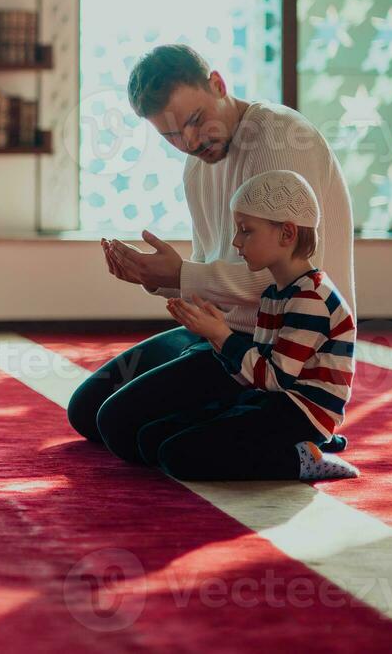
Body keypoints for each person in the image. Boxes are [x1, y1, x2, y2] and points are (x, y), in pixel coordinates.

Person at [66, 44, 356, 465]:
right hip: (222, 333)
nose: (189, 141)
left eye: (195, 120)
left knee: (122, 428)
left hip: (282, 348)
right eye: (170, 136)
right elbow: (213, 275)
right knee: (87, 413)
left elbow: (290, 277)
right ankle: (227, 420)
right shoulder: (197, 166)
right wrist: (155, 276)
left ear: (218, 84)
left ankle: (291, 430)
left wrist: (183, 274)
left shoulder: (276, 139)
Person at [154, 170, 358, 480]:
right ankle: (304, 445)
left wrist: (222, 334)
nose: (236, 241)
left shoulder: (311, 298)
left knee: (177, 455)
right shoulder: (275, 294)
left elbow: (275, 379)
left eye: (246, 231)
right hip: (273, 400)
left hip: (300, 413)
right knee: (152, 438)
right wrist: (217, 336)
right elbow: (255, 375)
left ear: (287, 234)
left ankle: (302, 458)